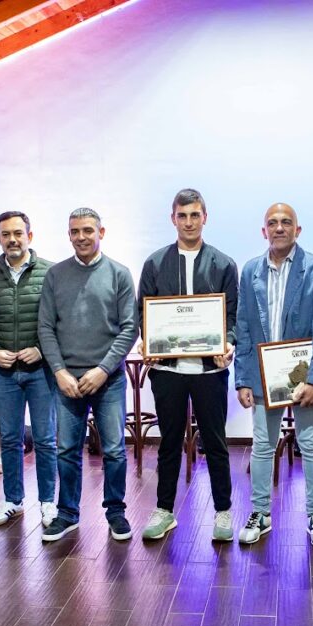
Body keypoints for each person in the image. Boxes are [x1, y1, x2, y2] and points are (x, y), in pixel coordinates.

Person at [234, 203, 313, 547]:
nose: (279, 228)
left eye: (286, 222)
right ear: (264, 231)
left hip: (304, 376)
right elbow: (244, 328)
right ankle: (260, 513)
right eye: (273, 223)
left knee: (311, 444)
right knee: (262, 445)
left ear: (297, 230)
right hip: (264, 376)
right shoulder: (250, 271)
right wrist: (242, 378)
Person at [137, 189, 238, 542]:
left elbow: (232, 316)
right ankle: (164, 510)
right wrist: (148, 341)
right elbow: (144, 313)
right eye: (183, 215)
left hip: (210, 370)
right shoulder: (154, 264)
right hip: (168, 371)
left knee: (215, 442)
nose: (189, 222)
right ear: (173, 219)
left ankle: (223, 511)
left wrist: (228, 343)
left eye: (195, 215)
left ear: (205, 218)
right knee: (168, 442)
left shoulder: (224, 264)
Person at [37, 207, 138, 543]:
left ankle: (116, 512)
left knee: (114, 450)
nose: (81, 237)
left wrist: (103, 369)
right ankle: (67, 513)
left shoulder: (119, 274)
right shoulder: (55, 275)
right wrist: (59, 371)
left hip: (108, 380)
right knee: (66, 449)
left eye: (87, 231)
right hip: (66, 380)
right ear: (68, 235)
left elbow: (129, 328)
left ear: (101, 233)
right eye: (75, 231)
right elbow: (45, 327)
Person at [0, 211, 57, 529]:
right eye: (6, 234)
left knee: (46, 439)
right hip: (5, 373)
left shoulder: (50, 272)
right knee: (9, 439)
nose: (12, 239)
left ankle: (48, 502)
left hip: (41, 372)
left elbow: (57, 320)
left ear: (29, 236)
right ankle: (12, 501)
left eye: (18, 233)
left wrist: (41, 350)